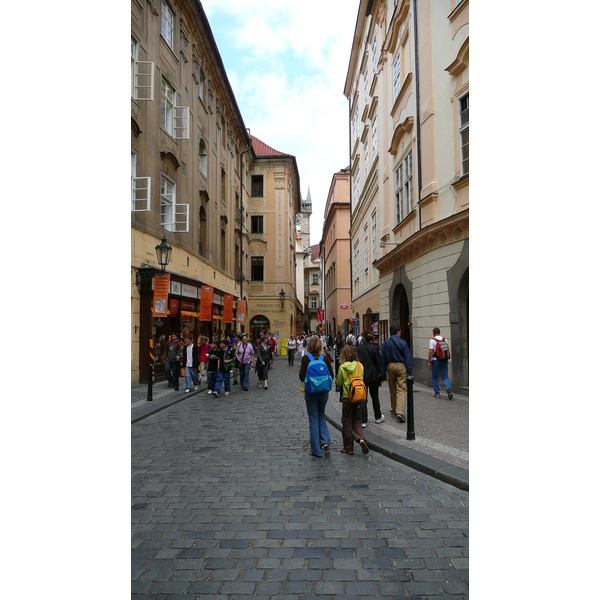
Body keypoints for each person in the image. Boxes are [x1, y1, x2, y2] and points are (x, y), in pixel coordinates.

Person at [299, 336, 334, 458]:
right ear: (320, 346)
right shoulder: (324, 358)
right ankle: (325, 441)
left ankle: (316, 449)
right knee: (321, 415)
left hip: (311, 391)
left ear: (309, 346)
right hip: (323, 392)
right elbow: (332, 375)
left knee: (313, 417)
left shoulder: (305, 359)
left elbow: (301, 377)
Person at [336, 345, 368, 455]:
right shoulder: (360, 366)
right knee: (357, 420)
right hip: (359, 397)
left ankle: (348, 448)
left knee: (347, 421)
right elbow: (362, 379)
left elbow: (339, 383)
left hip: (347, 398)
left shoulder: (343, 367)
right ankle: (361, 439)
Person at [381, 324, 414, 423]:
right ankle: (400, 411)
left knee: (392, 389)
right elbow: (408, 358)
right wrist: (410, 371)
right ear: (398, 331)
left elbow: (383, 358)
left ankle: (393, 410)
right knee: (402, 389)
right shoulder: (403, 342)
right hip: (401, 366)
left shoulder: (386, 343)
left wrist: (383, 373)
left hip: (390, 366)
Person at [355, 332, 386, 427]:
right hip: (373, 376)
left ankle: (363, 419)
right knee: (375, 397)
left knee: (363, 397)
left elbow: (356, 362)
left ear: (364, 338)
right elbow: (379, 363)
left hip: (362, 375)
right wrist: (383, 376)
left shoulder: (358, 349)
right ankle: (378, 417)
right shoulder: (375, 348)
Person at [428, 327, 453, 400]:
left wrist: (429, 361)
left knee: (434, 377)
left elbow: (431, 351)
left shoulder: (432, 340)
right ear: (440, 332)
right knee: (445, 376)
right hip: (444, 360)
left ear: (433, 333)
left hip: (435, 360)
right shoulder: (445, 340)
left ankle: (437, 393)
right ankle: (448, 387)